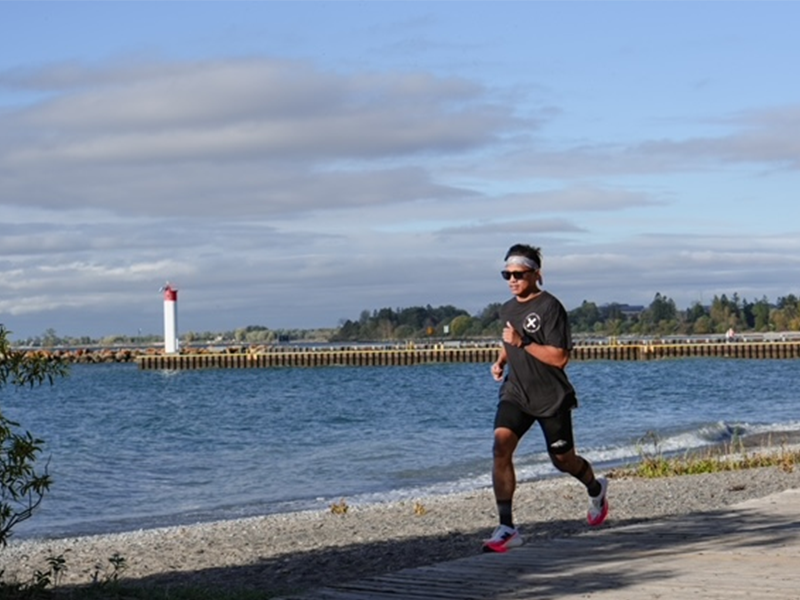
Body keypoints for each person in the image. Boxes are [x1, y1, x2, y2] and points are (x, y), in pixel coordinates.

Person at [483, 243, 609, 553]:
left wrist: (522, 343)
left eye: (518, 274)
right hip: (517, 393)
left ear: (537, 274)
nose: (512, 280)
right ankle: (507, 527)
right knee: (501, 447)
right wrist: (501, 361)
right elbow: (508, 339)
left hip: (551, 397)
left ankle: (596, 488)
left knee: (563, 461)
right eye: (506, 274)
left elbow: (559, 358)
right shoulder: (508, 308)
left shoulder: (551, 307)